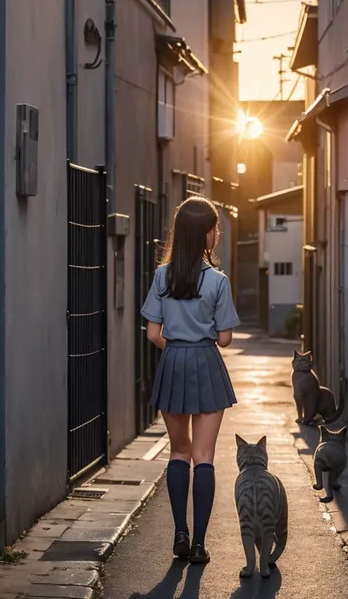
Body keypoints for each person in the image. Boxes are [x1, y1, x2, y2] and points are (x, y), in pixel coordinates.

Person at [141, 196, 240, 565]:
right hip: (206, 363)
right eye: (215, 227)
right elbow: (226, 338)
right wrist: (204, 336)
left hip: (173, 362)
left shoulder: (161, 276)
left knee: (179, 452)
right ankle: (199, 543)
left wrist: (177, 344)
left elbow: (153, 333)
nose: (218, 233)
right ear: (205, 235)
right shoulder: (217, 281)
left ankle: (179, 533)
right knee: (204, 457)